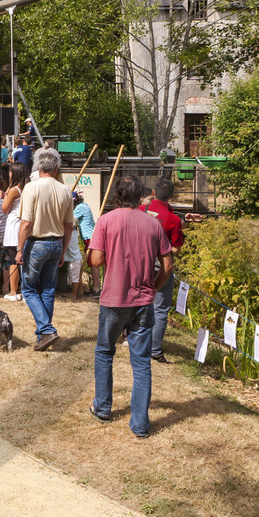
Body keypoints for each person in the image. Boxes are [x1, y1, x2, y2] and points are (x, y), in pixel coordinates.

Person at [87, 175, 172, 438]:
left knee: (104, 351)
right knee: (142, 363)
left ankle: (103, 407)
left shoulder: (106, 220)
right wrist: (154, 288)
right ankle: (140, 424)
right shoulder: (153, 223)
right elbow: (168, 265)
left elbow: (96, 261)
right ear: (140, 196)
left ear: (117, 195)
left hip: (114, 299)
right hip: (143, 301)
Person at [16, 147, 75, 351]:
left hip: (36, 243)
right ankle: (44, 334)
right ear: (56, 169)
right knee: (48, 290)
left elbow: (26, 223)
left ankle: (46, 330)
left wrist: (19, 249)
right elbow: (69, 225)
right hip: (56, 242)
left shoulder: (31, 187)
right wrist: (64, 249)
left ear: (38, 168)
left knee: (29, 289)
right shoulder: (65, 190)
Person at [144, 179, 186, 362]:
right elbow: (176, 249)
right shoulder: (173, 220)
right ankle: (154, 350)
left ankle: (132, 339)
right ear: (171, 196)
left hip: (140, 263)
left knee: (137, 302)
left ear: (153, 193)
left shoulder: (141, 210)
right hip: (161, 265)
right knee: (160, 309)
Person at [0, 163, 28, 299]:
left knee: (13, 260)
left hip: (13, 225)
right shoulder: (27, 187)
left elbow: (4, 209)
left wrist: (6, 194)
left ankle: (13, 291)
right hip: (24, 224)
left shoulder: (14, 190)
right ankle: (25, 290)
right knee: (24, 260)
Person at [71, 189, 99, 295]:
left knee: (92, 263)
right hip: (90, 237)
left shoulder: (80, 208)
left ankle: (96, 288)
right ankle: (96, 287)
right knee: (92, 263)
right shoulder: (84, 205)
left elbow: (70, 219)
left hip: (89, 237)